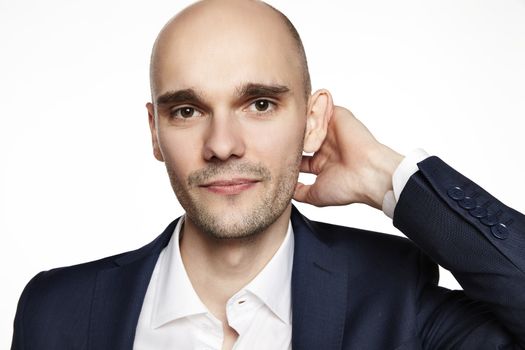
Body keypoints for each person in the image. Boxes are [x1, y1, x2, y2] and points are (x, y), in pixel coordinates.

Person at [11, 0, 525, 349]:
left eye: (259, 104)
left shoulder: (394, 299)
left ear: (313, 120)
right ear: (154, 131)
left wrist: (385, 178)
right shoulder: (57, 313)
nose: (222, 145)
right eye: (187, 111)